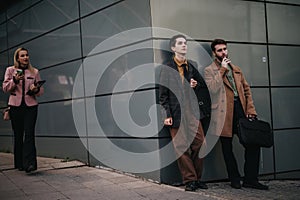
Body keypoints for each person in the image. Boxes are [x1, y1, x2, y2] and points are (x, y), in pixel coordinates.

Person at [204, 39, 268, 190]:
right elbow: (212, 88)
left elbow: (247, 90)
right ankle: (234, 178)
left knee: (253, 144)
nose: (223, 52)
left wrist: (251, 110)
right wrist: (223, 69)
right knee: (227, 148)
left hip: (240, 110)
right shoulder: (209, 70)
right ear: (214, 53)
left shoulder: (237, 69)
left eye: (225, 49)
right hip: (223, 113)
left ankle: (250, 179)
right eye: (219, 50)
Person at [159, 34, 211, 191]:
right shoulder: (166, 67)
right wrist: (166, 115)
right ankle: (190, 180)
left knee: (201, 145)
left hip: (193, 111)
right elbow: (163, 95)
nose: (184, 46)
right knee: (181, 147)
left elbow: (202, 87)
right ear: (173, 48)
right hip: (176, 112)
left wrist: (194, 85)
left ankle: (197, 178)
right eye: (180, 43)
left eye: (185, 43)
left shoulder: (192, 65)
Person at [2, 47, 44, 173]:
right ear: (17, 58)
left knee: (29, 134)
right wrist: (14, 80)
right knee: (18, 135)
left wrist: (36, 89)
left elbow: (41, 91)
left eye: (27, 55)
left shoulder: (34, 71)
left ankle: (30, 164)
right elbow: (5, 88)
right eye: (22, 55)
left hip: (31, 107)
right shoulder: (10, 70)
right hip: (15, 107)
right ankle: (19, 163)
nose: (26, 57)